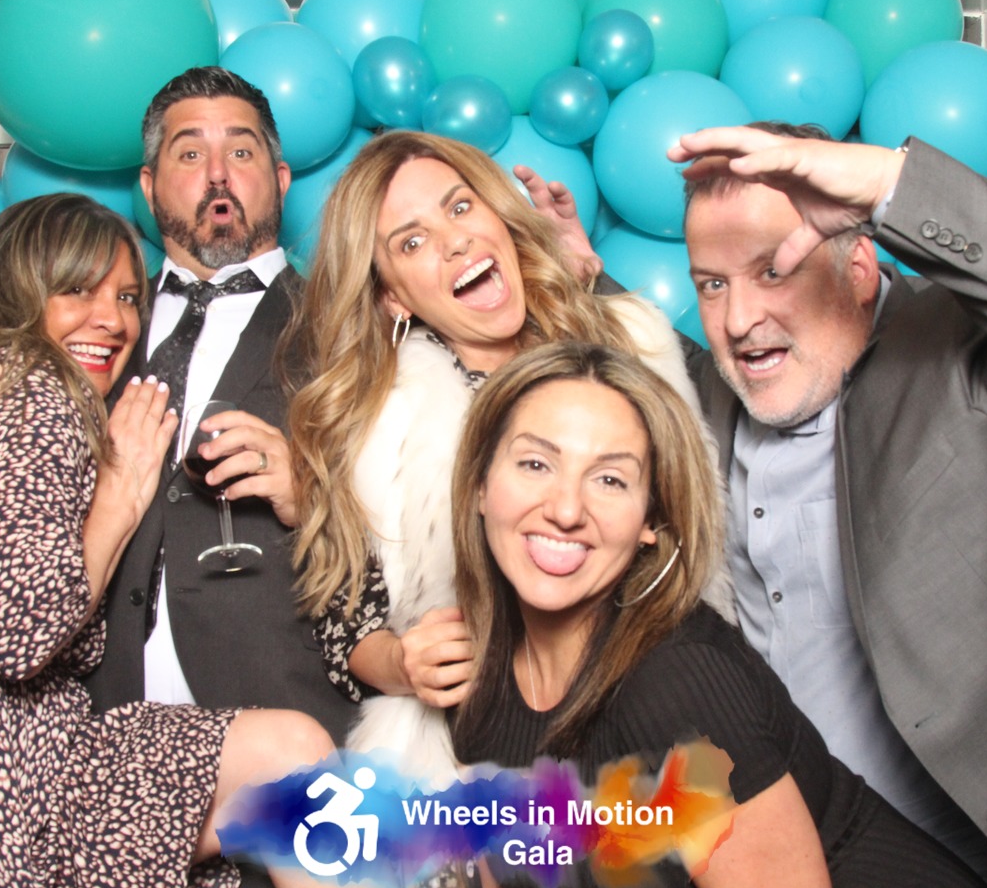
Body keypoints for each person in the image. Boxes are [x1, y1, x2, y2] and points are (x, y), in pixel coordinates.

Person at [448, 339, 987, 888]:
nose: (565, 509)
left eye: (609, 480)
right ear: (480, 484)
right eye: (535, 464)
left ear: (651, 520)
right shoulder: (480, 682)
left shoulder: (676, 685)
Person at [0, 193, 406, 888]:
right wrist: (120, 496)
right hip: (24, 781)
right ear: (22, 289)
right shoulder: (34, 391)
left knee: (286, 758)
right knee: (289, 757)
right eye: (78, 290)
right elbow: (21, 635)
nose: (112, 319)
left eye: (128, 297)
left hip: (50, 760)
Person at [285, 129, 730, 780]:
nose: (453, 241)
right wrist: (404, 663)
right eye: (411, 242)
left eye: (460, 207)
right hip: (499, 755)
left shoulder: (631, 345)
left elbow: (705, 501)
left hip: (672, 707)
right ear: (393, 295)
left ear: (497, 214)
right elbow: (345, 626)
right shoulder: (378, 433)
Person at [666, 123, 987, 878]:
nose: (738, 319)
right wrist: (584, 277)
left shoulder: (950, 349)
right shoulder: (720, 400)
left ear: (860, 267)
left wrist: (887, 185)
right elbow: (667, 361)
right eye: (712, 284)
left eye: (773, 270)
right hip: (802, 876)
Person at [83, 66, 354, 888]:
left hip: (291, 753)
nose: (216, 174)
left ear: (279, 179)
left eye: (241, 152)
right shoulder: (91, 330)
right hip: (108, 759)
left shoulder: (349, 328)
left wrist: (314, 492)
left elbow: (431, 528)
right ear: (148, 185)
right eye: (188, 153)